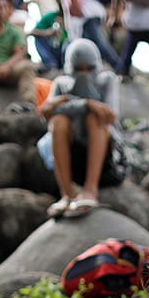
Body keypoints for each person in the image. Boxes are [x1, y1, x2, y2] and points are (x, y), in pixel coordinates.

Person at [38, 39, 121, 218]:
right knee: (59, 121)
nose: (84, 74)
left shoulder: (107, 79)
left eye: (89, 69)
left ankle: (91, 190)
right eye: (79, 69)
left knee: (95, 117)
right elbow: (47, 112)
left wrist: (69, 103)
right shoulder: (61, 83)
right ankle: (67, 194)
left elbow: (110, 114)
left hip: (107, 160)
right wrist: (85, 104)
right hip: (73, 156)